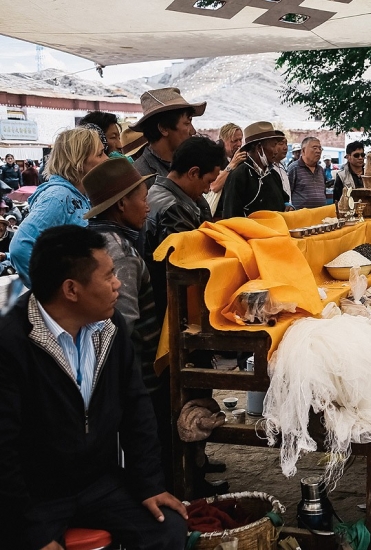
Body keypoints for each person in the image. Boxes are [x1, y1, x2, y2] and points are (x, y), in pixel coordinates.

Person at [0, 224, 188, 550]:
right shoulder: (11, 343)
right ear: (71, 289)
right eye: (109, 276)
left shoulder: (109, 329)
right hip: (35, 495)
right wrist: (34, 531)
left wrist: (149, 485)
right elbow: (3, 451)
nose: (118, 285)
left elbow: (136, 408)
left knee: (168, 529)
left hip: (98, 482)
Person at [84, 158, 160, 394]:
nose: (147, 207)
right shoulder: (121, 252)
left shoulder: (91, 238)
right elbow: (122, 326)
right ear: (122, 204)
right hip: (135, 380)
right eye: (143, 199)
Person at [10, 127, 108, 287]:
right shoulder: (58, 196)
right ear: (79, 161)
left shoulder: (79, 194)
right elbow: (19, 247)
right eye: (100, 153)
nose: (107, 159)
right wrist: (53, 293)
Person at [145, 136, 222, 315]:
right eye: (209, 181)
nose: (207, 189)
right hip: (168, 308)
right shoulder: (175, 208)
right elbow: (186, 267)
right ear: (193, 173)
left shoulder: (157, 191)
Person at [131, 87, 206, 188]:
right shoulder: (142, 176)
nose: (193, 131)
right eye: (187, 123)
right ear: (164, 128)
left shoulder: (186, 165)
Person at [222, 122, 289, 218]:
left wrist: (287, 206)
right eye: (273, 146)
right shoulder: (239, 175)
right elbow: (231, 215)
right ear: (259, 148)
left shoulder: (273, 175)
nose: (276, 151)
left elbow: (284, 200)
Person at [206, 122, 246, 217]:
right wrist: (232, 165)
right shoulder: (214, 158)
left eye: (240, 140)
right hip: (217, 214)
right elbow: (214, 186)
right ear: (223, 141)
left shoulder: (241, 161)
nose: (239, 144)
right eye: (234, 141)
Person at [287, 136, 327, 209]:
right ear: (303, 151)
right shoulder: (294, 168)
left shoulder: (321, 170)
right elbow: (287, 194)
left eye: (320, 148)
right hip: (301, 216)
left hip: (321, 215)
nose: (318, 151)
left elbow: (323, 192)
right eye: (314, 148)